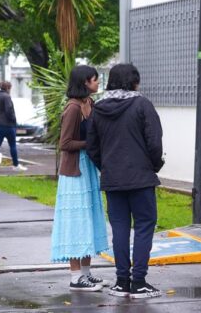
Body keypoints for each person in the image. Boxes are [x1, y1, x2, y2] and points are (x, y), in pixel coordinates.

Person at [86, 64, 164, 299]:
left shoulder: (98, 109)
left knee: (119, 229)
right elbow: (154, 141)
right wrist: (153, 165)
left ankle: (121, 282)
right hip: (141, 178)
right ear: (134, 82)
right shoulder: (142, 105)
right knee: (144, 226)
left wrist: (106, 166)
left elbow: (92, 147)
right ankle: (138, 282)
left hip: (113, 179)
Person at [51, 65, 109, 292]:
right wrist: (91, 144)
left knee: (89, 219)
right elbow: (65, 143)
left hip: (88, 168)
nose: (98, 82)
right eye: (95, 79)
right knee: (76, 221)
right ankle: (75, 277)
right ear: (85, 82)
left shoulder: (90, 104)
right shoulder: (73, 108)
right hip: (74, 171)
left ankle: (86, 273)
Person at [0, 81, 26, 172]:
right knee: (12, 145)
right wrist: (14, 120)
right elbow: (9, 110)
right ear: (8, 88)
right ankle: (15, 165)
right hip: (8, 125)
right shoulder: (7, 97)